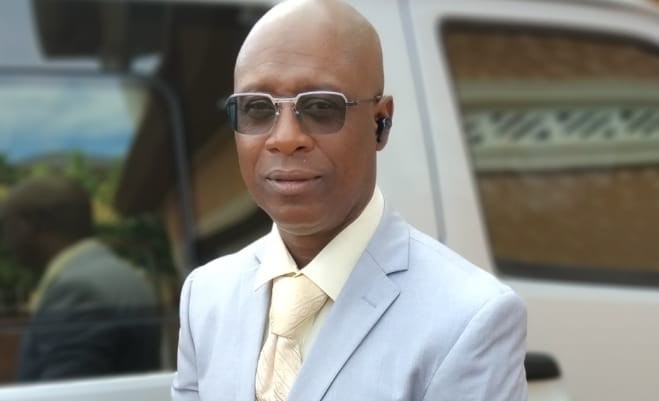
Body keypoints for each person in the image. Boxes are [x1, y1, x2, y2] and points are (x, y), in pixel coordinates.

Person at [172, 0, 527, 400]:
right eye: (256, 108)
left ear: (380, 123)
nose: (285, 138)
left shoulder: (468, 317)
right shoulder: (206, 297)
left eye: (321, 107)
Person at [1, 176, 160, 381]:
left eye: (7, 226)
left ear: (30, 223)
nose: (6, 239)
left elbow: (65, 391)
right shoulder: (119, 273)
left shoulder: (77, 290)